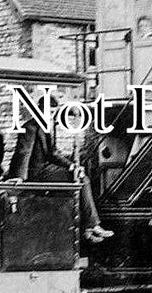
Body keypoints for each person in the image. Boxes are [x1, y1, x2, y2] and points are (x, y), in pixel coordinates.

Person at [7, 100, 113, 244]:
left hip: (45, 170)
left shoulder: (43, 126)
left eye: (52, 112)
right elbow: (23, 152)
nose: (50, 115)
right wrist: (19, 177)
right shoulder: (30, 127)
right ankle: (91, 226)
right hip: (36, 175)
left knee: (81, 177)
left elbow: (53, 153)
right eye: (48, 111)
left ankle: (89, 228)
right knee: (82, 180)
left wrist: (72, 166)